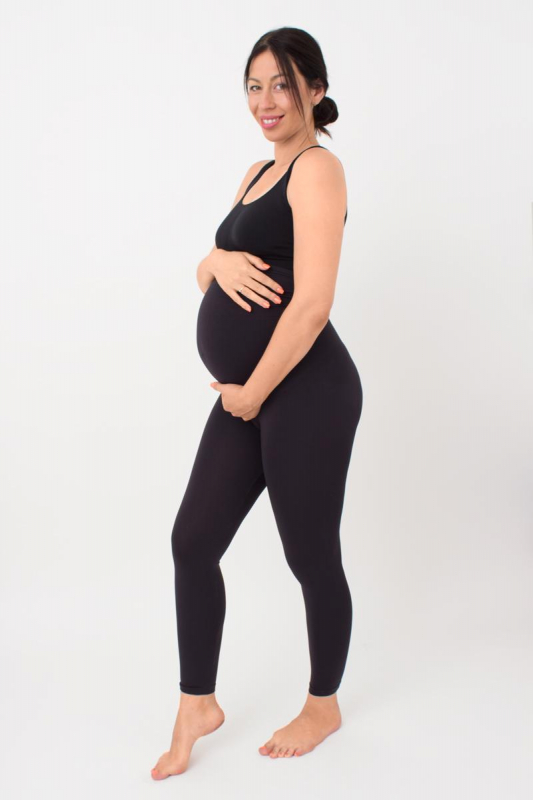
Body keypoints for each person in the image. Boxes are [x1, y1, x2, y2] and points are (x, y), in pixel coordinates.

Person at [152, 26, 363, 779]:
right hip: (251, 393)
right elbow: (212, 274)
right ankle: (197, 702)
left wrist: (254, 391)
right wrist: (214, 258)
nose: (265, 100)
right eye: (253, 85)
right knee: (191, 542)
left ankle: (323, 704)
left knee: (309, 553)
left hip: (306, 389)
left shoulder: (318, 169)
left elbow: (311, 304)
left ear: (314, 90)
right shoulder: (255, 172)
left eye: (282, 84)